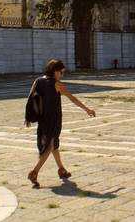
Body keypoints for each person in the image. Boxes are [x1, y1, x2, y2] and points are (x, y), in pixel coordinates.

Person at [26, 59, 96, 188]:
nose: (62, 75)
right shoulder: (57, 84)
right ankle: (34, 172)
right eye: (61, 72)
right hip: (53, 119)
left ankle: (61, 169)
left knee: (54, 145)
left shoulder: (38, 80)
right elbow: (72, 98)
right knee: (50, 146)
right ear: (55, 71)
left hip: (43, 118)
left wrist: (30, 116)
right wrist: (87, 109)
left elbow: (31, 98)